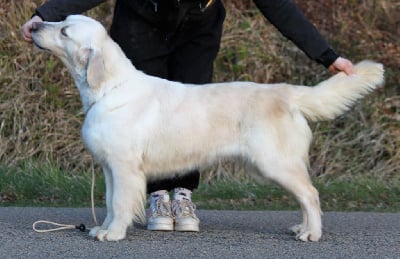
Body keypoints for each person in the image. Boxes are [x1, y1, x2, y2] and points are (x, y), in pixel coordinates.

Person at [22, 0, 354, 233]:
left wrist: (326, 56)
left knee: (191, 118)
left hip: (198, 26)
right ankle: (155, 198)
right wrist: (46, 13)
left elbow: (276, 5)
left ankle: (181, 194)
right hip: (141, 21)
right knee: (138, 123)